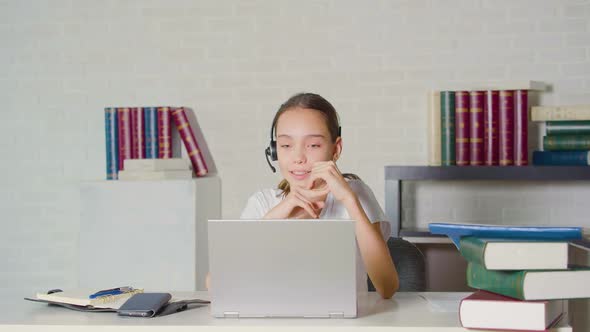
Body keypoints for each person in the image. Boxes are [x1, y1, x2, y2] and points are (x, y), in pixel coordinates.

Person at [240, 92, 399, 299]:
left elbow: (387, 287)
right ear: (274, 151)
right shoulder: (262, 203)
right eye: (286, 145)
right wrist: (274, 217)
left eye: (313, 145)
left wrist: (349, 200)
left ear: (336, 149)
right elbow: (213, 283)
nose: (298, 158)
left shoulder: (356, 194)